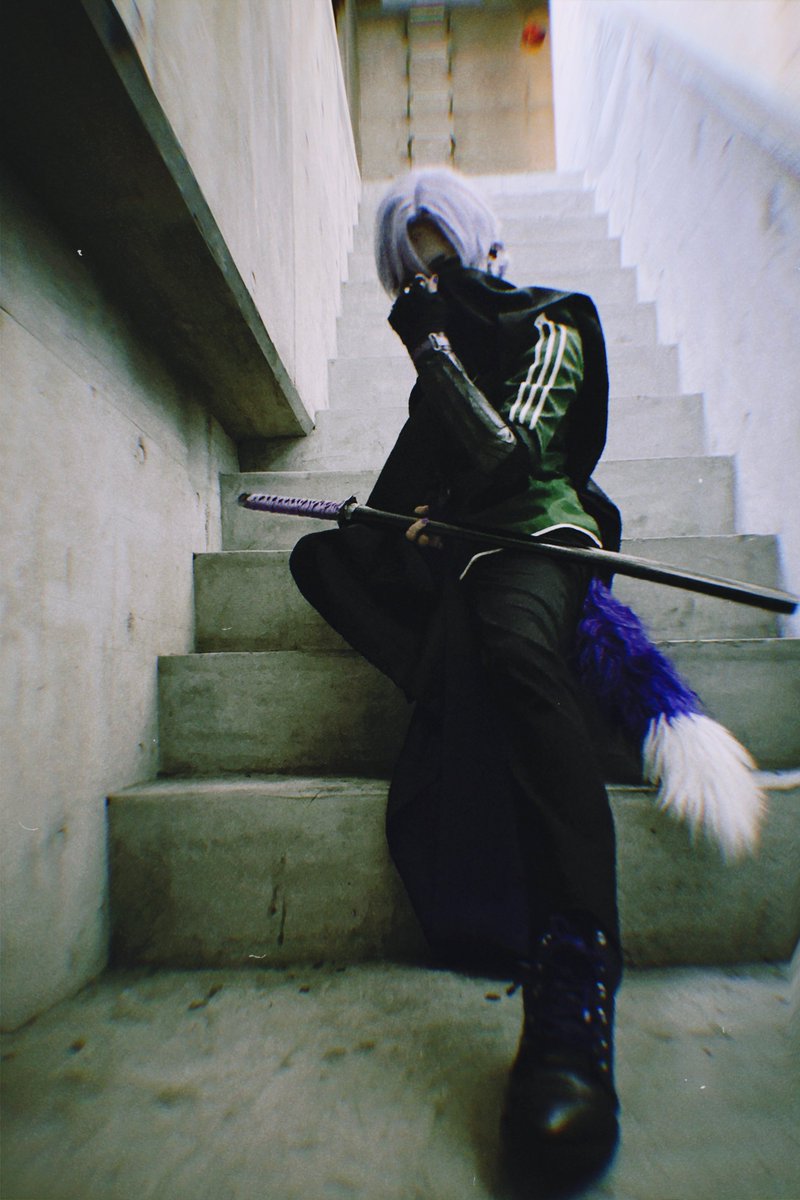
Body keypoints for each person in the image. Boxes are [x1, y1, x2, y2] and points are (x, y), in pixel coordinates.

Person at [290, 168, 624, 1193]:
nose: (427, 291)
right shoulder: (434, 371)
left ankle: (572, 980)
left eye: (441, 270)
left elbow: (509, 461)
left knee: (513, 650)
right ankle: (447, 669)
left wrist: (431, 347)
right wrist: (402, 524)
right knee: (322, 555)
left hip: (536, 539)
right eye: (410, 281)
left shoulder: (550, 320)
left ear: (484, 255)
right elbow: (402, 498)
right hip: (463, 561)